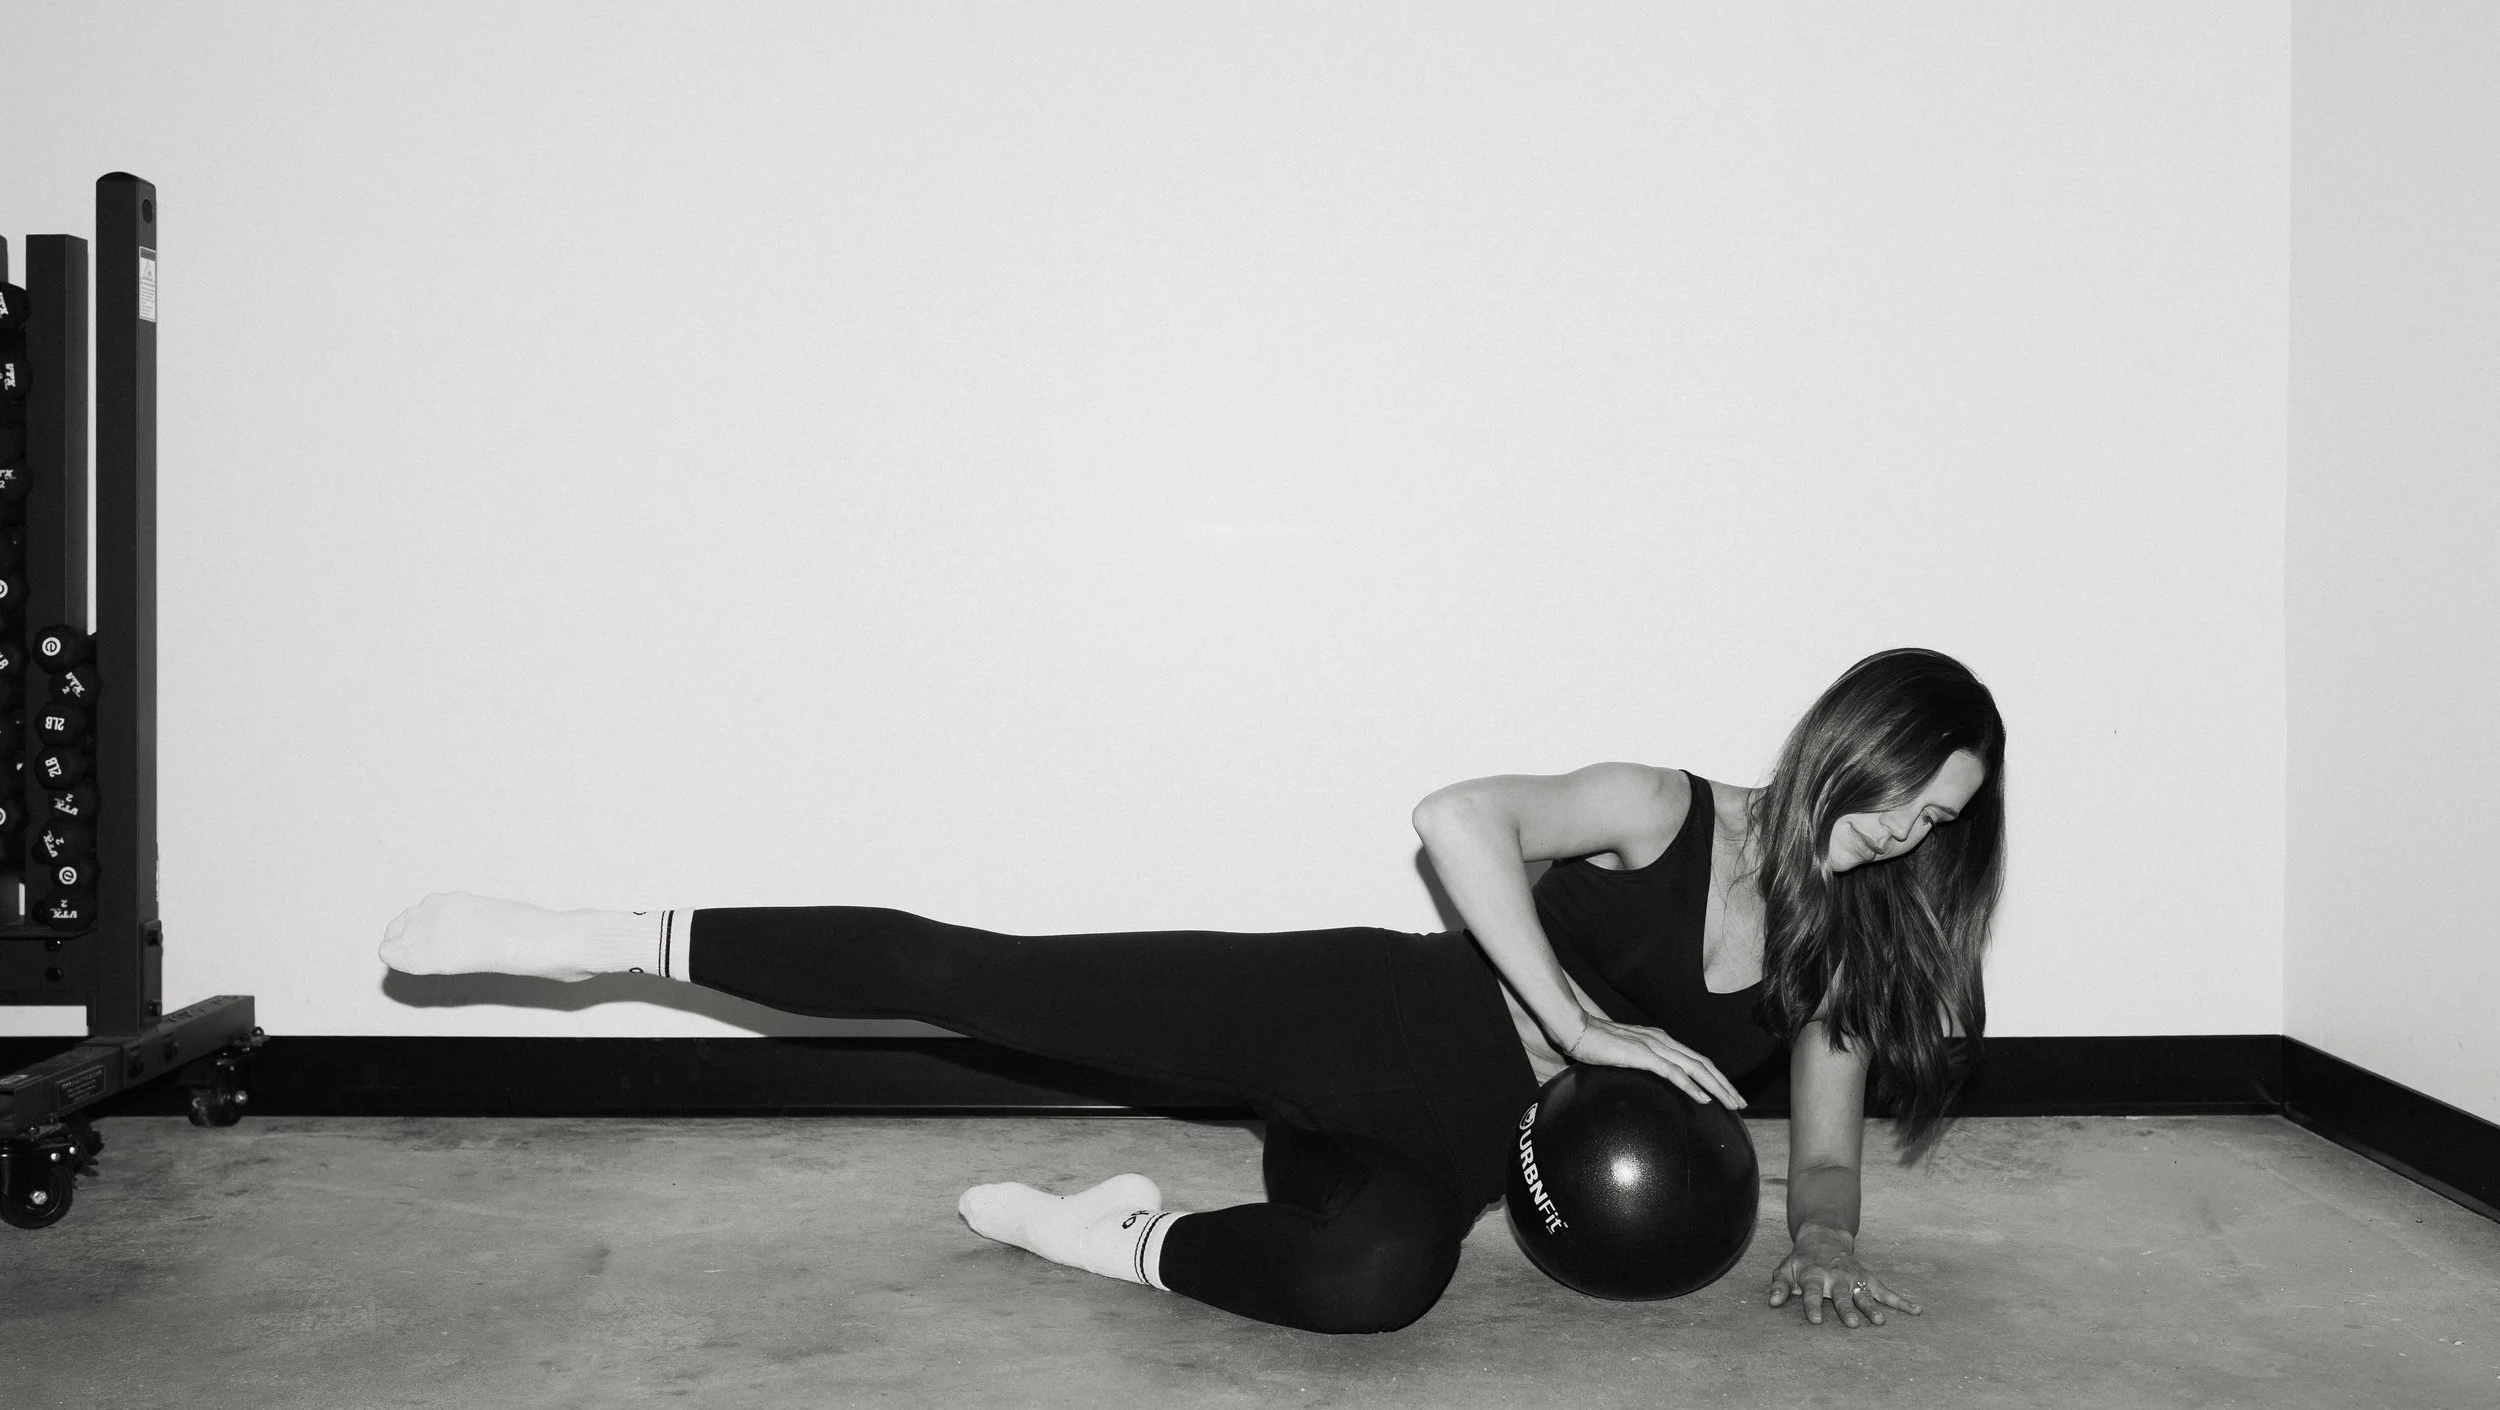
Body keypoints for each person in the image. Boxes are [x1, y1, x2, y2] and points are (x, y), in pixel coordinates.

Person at [378, 646, 2004, 1336]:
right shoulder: (1666, 805)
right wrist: (1579, 1018)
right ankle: (603, 933)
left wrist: (1828, 1241)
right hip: (1365, 1019)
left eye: (1933, 826)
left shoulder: (1842, 963)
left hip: (1465, 1152)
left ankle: (1113, 1234)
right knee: (983, 977)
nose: (1895, 838)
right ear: (1837, 742)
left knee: (1379, 1285)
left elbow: (1833, 1146)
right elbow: (1457, 815)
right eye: (1892, 795)